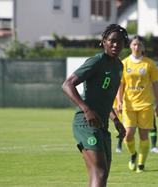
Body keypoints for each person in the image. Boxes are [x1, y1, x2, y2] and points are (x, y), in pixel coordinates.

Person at [61, 24, 128, 187]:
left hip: (102, 124)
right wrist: (86, 109)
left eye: (120, 41)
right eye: (112, 41)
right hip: (86, 123)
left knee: (99, 174)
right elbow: (67, 84)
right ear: (104, 42)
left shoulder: (119, 66)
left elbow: (105, 99)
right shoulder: (96, 61)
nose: (116, 45)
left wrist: (116, 120)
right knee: (101, 171)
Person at [117, 35, 158, 173]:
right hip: (128, 105)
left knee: (143, 136)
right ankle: (133, 155)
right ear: (130, 46)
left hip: (145, 104)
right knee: (128, 134)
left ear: (143, 47)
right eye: (134, 44)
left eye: (139, 45)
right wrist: (119, 101)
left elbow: (156, 85)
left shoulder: (149, 64)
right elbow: (120, 84)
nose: (136, 47)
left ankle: (141, 165)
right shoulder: (124, 63)